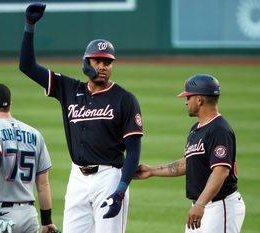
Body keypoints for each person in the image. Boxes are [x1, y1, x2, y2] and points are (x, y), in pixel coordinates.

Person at [19, 3, 143, 233]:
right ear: (86, 63)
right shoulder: (68, 88)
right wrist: (29, 27)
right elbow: (27, 66)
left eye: (108, 62)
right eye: (98, 61)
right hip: (77, 178)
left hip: (109, 178)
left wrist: (121, 189)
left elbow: (134, 151)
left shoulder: (125, 99)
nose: (104, 67)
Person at [134, 74, 246, 233]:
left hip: (220, 207)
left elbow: (221, 171)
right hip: (203, 205)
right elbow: (189, 163)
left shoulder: (219, 130)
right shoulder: (196, 129)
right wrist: (152, 170)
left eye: (188, 97)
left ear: (199, 100)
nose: (186, 102)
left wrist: (200, 204)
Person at [0, 83, 59, 233]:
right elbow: (43, 184)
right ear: (9, 105)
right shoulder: (34, 134)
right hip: (29, 217)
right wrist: (47, 221)